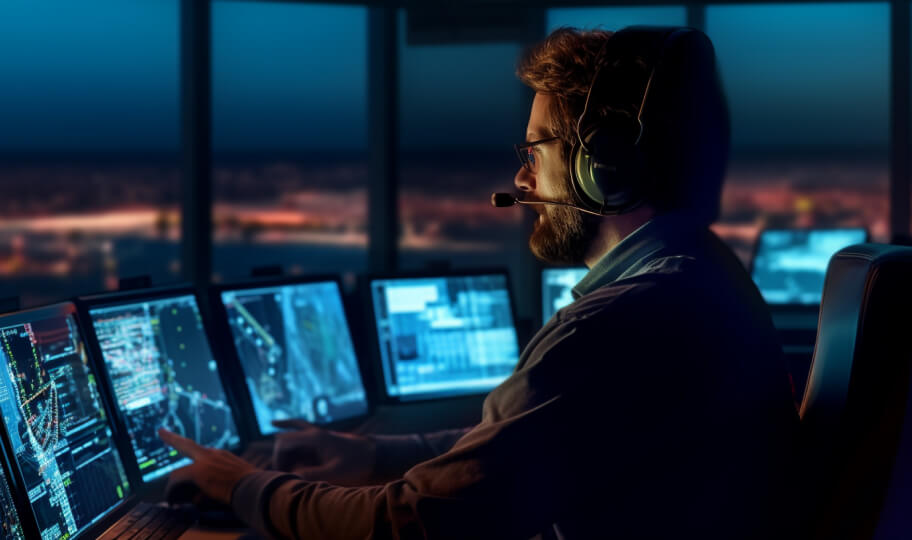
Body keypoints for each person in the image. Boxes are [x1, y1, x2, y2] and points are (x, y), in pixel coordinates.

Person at [159, 26, 801, 539]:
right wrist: (373, 456)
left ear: (601, 166)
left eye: (534, 152)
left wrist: (241, 486)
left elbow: (412, 522)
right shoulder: (703, 277)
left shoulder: (618, 323)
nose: (521, 181)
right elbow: (537, 445)